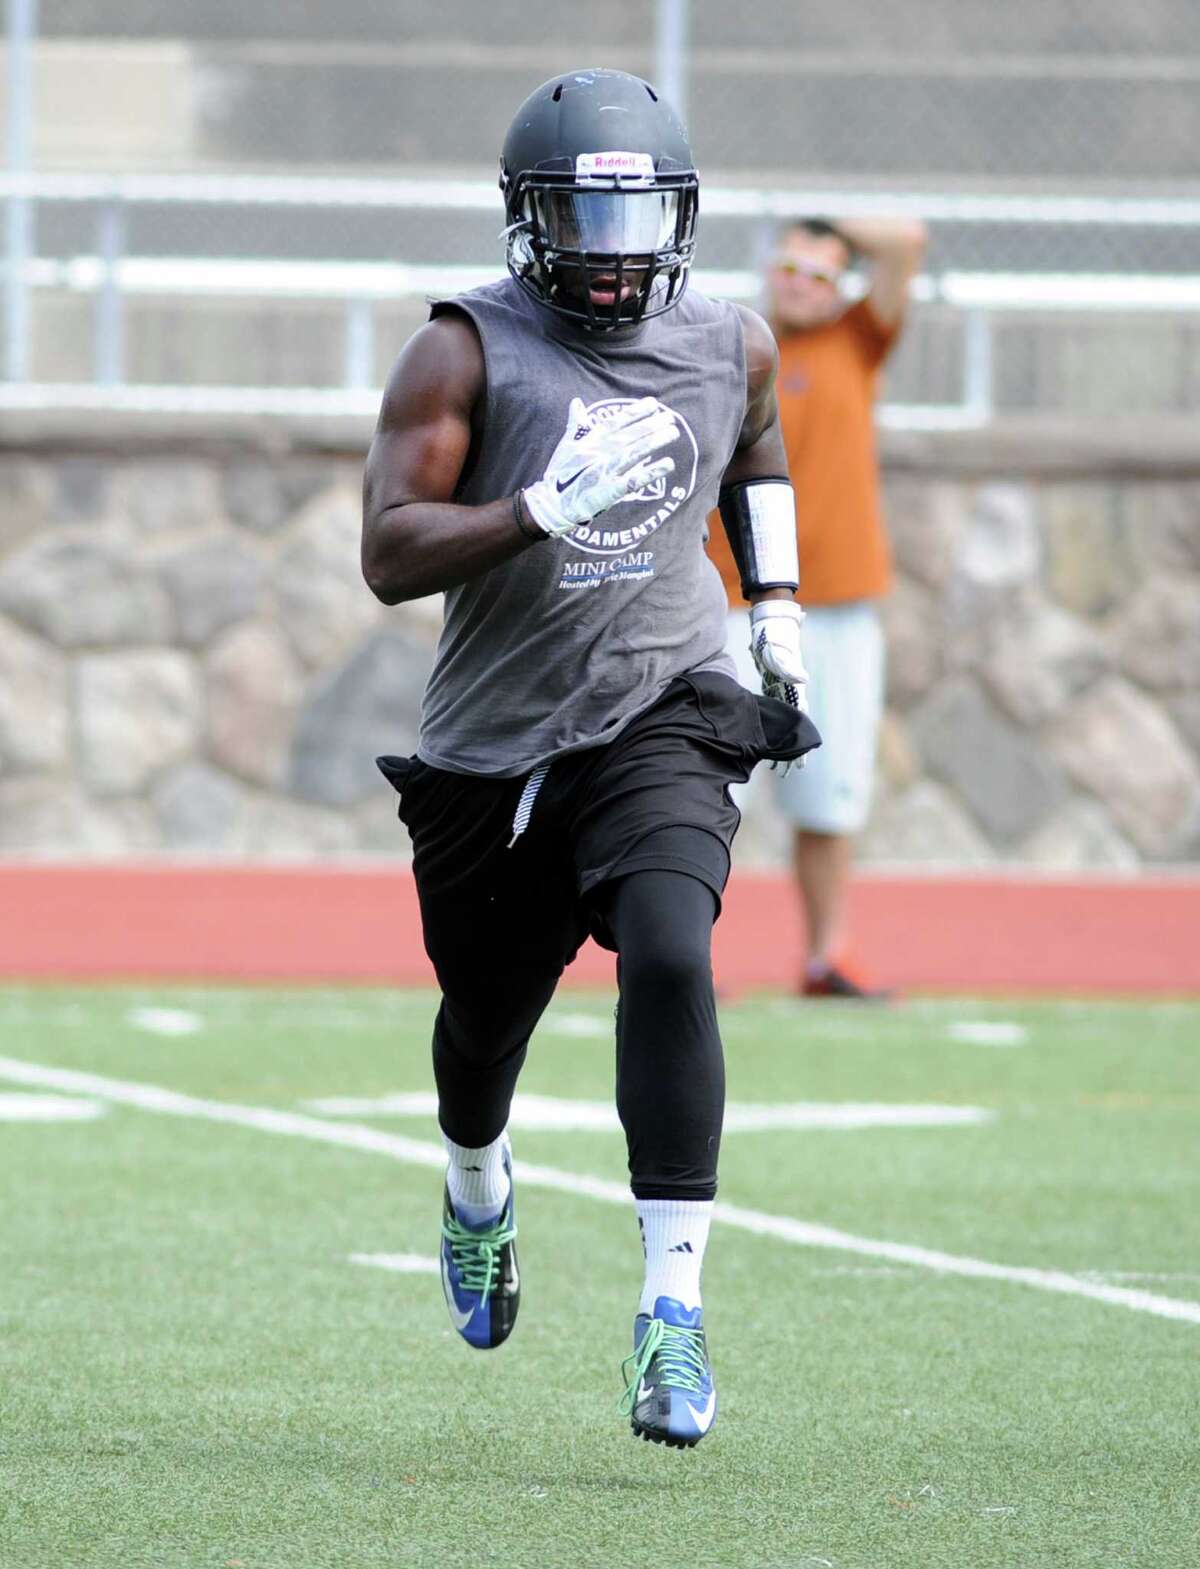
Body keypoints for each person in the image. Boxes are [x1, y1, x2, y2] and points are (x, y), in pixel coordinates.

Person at [361, 68, 818, 1449]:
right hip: (496, 745)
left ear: (680, 218)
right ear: (528, 218)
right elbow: (388, 551)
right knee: (484, 1029)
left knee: (674, 949)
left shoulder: (729, 339)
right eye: (582, 221)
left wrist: (778, 612)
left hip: (664, 706)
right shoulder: (463, 350)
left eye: (637, 225)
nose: (613, 260)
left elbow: (759, 448)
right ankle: (478, 1183)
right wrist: (535, 508)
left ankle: (670, 1313)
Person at [708, 215, 926, 999]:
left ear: (842, 286)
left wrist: (830, 224)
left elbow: (905, 241)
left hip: (834, 610)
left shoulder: (858, 341)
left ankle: (826, 955)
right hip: (731, 604)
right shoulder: (730, 347)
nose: (800, 282)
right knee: (703, 795)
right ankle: (685, 960)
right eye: (790, 266)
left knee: (830, 796)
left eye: (820, 273)